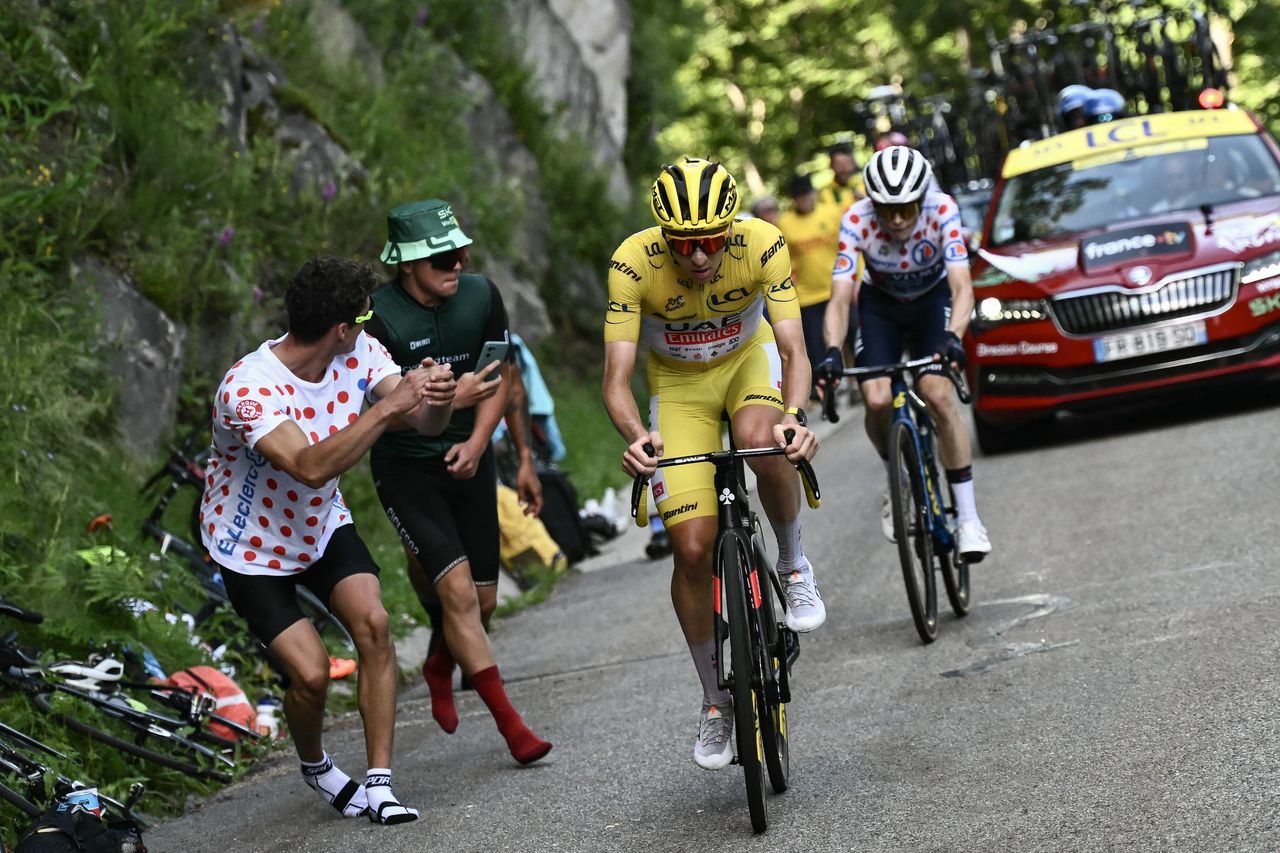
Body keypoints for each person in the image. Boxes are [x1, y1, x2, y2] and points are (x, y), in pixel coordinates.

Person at [200, 256, 457, 824]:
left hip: (319, 524)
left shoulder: (360, 352)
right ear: (340, 328)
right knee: (312, 674)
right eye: (362, 318)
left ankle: (381, 782)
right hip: (250, 543)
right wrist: (390, 407)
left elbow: (423, 423)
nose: (369, 328)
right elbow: (310, 466)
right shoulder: (249, 388)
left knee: (376, 626)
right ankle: (315, 764)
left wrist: (433, 397)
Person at [603, 157, 824, 772]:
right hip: (676, 389)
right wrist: (636, 436)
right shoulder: (632, 262)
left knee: (762, 439)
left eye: (711, 241)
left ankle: (793, 561)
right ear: (663, 237)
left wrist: (796, 418)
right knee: (693, 550)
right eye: (684, 244)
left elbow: (792, 348)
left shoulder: (762, 242)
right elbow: (616, 381)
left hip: (747, 365)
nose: (699, 257)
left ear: (730, 228)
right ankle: (714, 701)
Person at [364, 199, 552, 766]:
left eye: (462, 251)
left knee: (485, 602)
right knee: (458, 594)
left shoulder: (481, 295)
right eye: (444, 257)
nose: (459, 263)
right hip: (407, 468)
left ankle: (439, 661)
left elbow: (503, 376)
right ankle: (514, 731)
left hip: (470, 458)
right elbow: (378, 410)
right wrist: (442, 404)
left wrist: (484, 445)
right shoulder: (378, 316)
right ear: (406, 264)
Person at [817, 146, 993, 562]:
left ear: (922, 198)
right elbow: (841, 298)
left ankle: (968, 518)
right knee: (876, 398)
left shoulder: (942, 209)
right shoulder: (857, 218)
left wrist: (953, 336)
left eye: (906, 208)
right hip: (881, 306)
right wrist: (830, 351)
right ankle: (895, 475)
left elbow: (962, 287)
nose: (896, 219)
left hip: (932, 303)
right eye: (887, 208)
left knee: (937, 394)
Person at [776, 173, 845, 397]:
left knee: (847, 336)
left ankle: (854, 382)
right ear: (794, 199)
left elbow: (847, 250)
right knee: (816, 346)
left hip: (837, 288)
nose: (804, 199)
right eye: (799, 196)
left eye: (807, 194)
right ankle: (825, 391)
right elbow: (782, 262)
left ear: (813, 193)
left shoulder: (832, 213)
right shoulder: (784, 224)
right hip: (806, 296)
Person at [817, 141, 865, 214]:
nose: (844, 169)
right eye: (838, 164)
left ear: (853, 164)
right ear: (831, 166)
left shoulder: (864, 184)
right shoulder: (824, 193)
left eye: (847, 163)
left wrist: (865, 201)